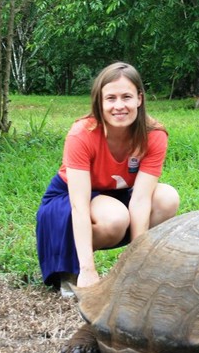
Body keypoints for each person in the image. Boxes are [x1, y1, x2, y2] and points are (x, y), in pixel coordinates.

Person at [36, 62, 180, 294]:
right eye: (111, 98)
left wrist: (137, 265)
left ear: (139, 99)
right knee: (115, 218)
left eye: (127, 97)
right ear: (99, 102)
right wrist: (88, 270)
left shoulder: (153, 135)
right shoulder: (82, 134)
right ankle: (69, 265)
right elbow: (79, 206)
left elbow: (141, 199)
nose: (119, 106)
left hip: (118, 194)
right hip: (68, 202)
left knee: (167, 198)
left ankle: (136, 265)